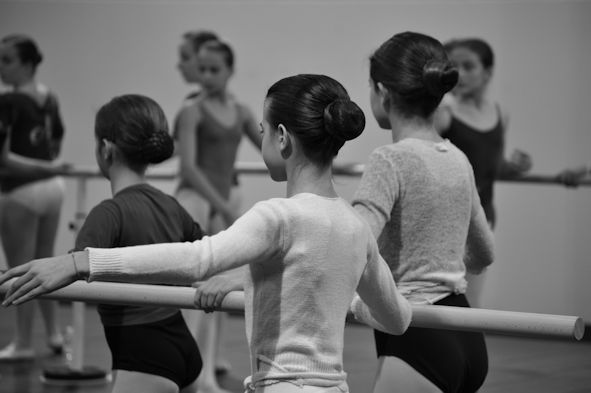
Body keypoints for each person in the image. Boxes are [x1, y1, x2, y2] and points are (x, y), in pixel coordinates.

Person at [0, 73, 413, 393]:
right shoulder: (355, 226)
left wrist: (79, 262)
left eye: (264, 130)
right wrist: (344, 298)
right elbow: (396, 320)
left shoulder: (278, 217)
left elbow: (197, 258)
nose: (263, 137)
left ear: (283, 138)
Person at [352, 32, 495, 393]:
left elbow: (352, 245)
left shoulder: (390, 159)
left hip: (415, 335)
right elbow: (484, 253)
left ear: (382, 92)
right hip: (463, 330)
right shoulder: (458, 159)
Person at [174, 35, 262, 392]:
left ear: (230, 71)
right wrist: (224, 206)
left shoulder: (241, 112)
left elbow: (271, 144)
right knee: (194, 292)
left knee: (218, 291)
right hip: (194, 202)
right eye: (202, 69)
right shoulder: (191, 110)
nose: (207, 76)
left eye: (214, 70)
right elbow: (190, 168)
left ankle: (207, 371)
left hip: (221, 206)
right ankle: (192, 373)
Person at [433, 37, 530, 307]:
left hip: (483, 218)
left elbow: (493, 166)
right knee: (442, 299)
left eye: (468, 66)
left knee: (471, 301)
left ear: (487, 72)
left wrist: (516, 166)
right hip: (446, 221)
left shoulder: (499, 112)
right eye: (453, 66)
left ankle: (467, 349)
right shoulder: (443, 112)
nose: (460, 74)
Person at [0, 34, 69, 360]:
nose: (1, 68)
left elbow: (4, 160)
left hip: (22, 191)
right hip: (54, 187)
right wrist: (50, 168)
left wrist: (40, 168)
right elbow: (54, 142)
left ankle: (23, 341)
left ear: (27, 64)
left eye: (6, 60)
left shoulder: (8, 102)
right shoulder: (49, 97)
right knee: (45, 262)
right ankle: (54, 334)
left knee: (20, 269)